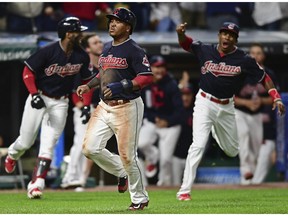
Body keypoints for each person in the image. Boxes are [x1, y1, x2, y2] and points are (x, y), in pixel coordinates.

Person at [175, 21, 285, 201]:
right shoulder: (205, 49)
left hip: (226, 106)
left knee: (232, 150)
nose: (227, 37)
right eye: (225, 33)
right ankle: (184, 190)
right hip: (205, 101)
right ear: (219, 35)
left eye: (232, 35)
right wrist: (180, 33)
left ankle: (216, 132)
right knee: (198, 145)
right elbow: (186, 44)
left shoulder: (244, 59)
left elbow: (264, 78)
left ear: (236, 39)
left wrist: (276, 97)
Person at [4, 17, 95, 199]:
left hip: (60, 102)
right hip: (40, 97)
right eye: (78, 31)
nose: (81, 34)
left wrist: (86, 105)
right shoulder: (48, 51)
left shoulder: (81, 55)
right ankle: (12, 155)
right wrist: (34, 94)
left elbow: (86, 82)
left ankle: (36, 184)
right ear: (69, 34)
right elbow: (28, 71)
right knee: (26, 141)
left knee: (48, 146)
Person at [76, 7, 153, 210]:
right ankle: (120, 172)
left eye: (117, 21)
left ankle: (139, 198)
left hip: (127, 107)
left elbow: (146, 77)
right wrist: (88, 85)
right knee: (89, 148)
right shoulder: (108, 47)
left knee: (128, 156)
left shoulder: (135, 50)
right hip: (104, 106)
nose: (111, 23)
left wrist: (123, 85)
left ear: (127, 27)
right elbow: (103, 74)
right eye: (111, 20)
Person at [61, 33, 103, 189]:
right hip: (85, 108)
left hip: (103, 109)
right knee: (80, 142)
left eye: (100, 42)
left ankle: (82, 180)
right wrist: (79, 104)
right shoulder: (83, 66)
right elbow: (73, 88)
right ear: (87, 48)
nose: (100, 44)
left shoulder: (105, 66)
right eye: (95, 42)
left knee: (94, 145)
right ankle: (69, 177)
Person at [235, 43, 280, 185]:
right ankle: (245, 169)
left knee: (255, 148)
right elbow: (229, 97)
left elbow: (274, 95)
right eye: (253, 52)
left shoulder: (269, 74)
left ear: (263, 56)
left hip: (257, 115)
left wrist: (261, 100)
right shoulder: (241, 73)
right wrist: (247, 103)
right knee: (243, 134)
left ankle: (250, 182)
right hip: (240, 112)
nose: (255, 55)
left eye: (258, 53)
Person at [138, 55, 184, 186]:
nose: (159, 70)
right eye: (156, 67)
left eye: (162, 67)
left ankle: (165, 185)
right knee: (142, 143)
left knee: (165, 160)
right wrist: (154, 118)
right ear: (150, 68)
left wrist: (168, 121)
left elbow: (180, 111)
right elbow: (144, 107)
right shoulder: (146, 83)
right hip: (153, 121)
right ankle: (152, 156)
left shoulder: (172, 85)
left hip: (171, 125)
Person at [172, 84, 194, 186]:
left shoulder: (197, 111)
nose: (185, 98)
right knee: (174, 185)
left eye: (188, 95)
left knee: (190, 186)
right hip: (175, 157)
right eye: (183, 95)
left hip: (191, 157)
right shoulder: (174, 111)